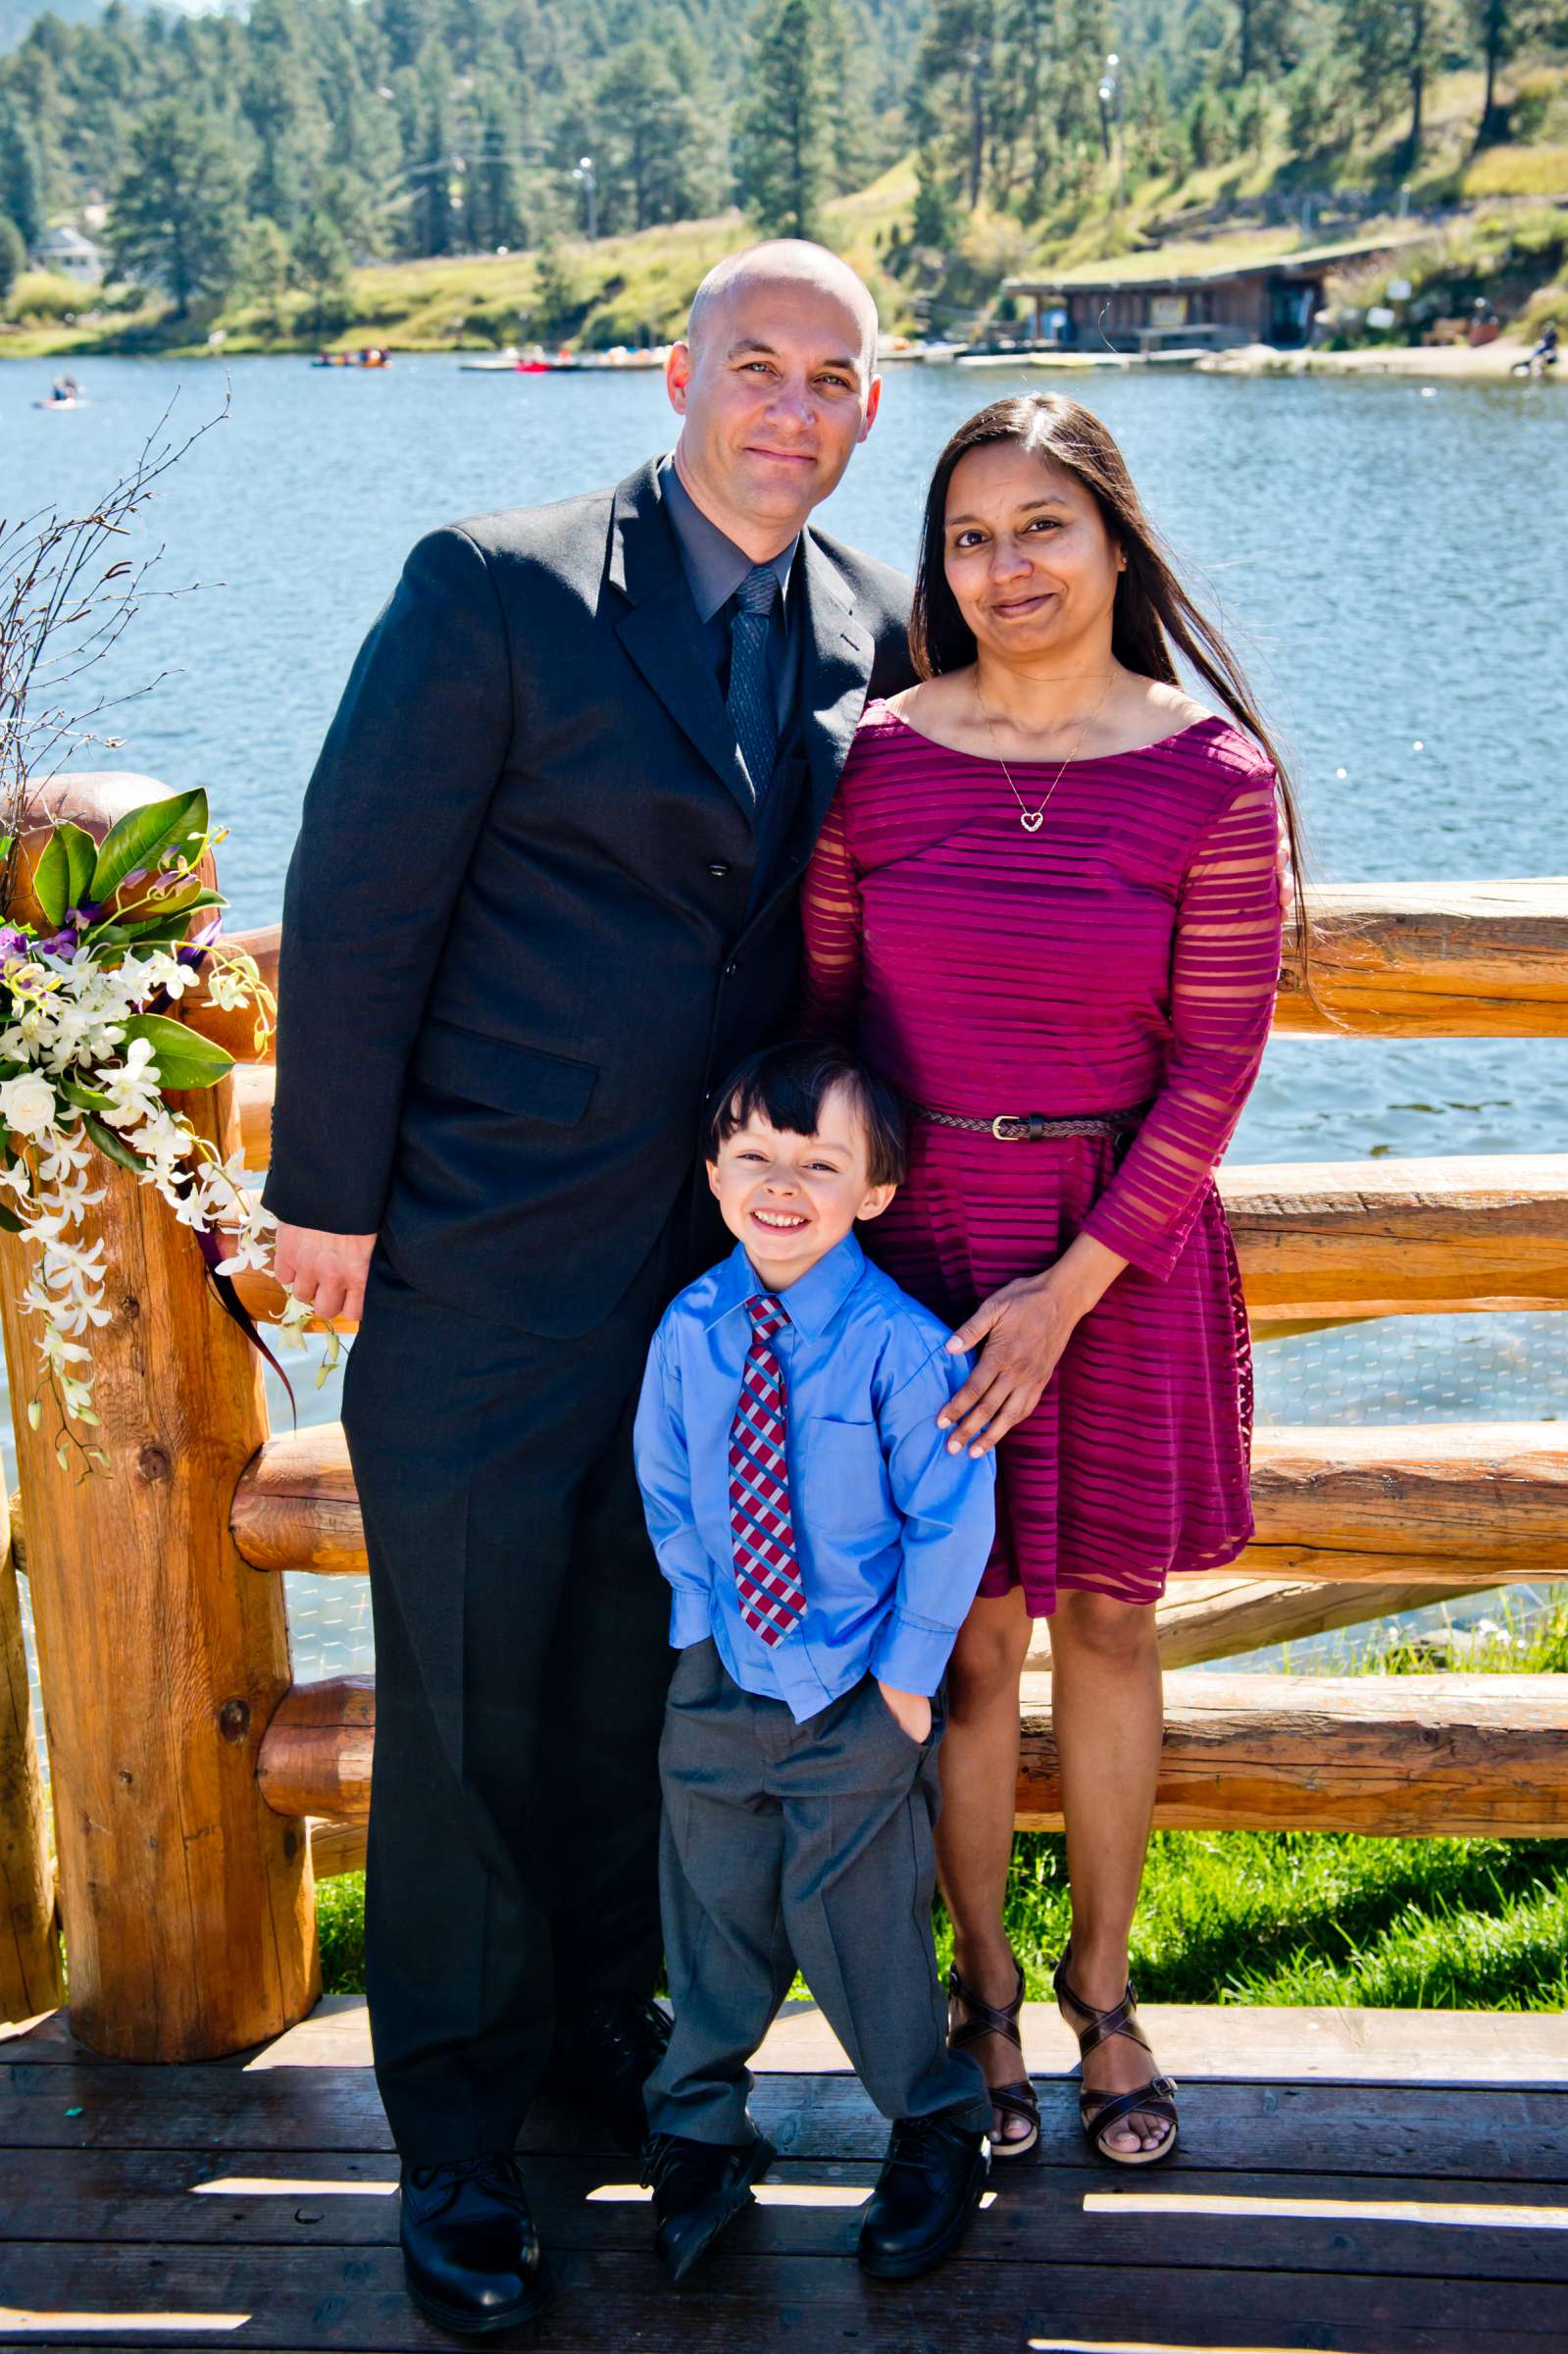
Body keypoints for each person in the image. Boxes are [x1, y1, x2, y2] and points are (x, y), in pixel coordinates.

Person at [266, 240, 914, 2333]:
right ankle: (450, 2143)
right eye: (755, 366)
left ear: (867, 414)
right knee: (459, 1700)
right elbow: (356, 901)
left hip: (710, 1294)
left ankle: (587, 2057)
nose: (788, 407)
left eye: (830, 379)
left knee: (635, 1684)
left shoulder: (869, 631)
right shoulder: (494, 582)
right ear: (675, 374)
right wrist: (326, 1198)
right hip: (472, 1254)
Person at [803, 392, 1301, 2171]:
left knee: (1101, 1619)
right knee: (960, 1637)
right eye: (965, 537)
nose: (1003, 568)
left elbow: (1213, 1074)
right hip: (923, 1250)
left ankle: (1102, 1997)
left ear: (1111, 541)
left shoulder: (1207, 775)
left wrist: (1066, 1288)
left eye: (1039, 528)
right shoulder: (876, 760)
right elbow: (828, 1026)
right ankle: (981, 2000)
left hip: (1120, 1257)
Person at [632, 1039, 995, 2285]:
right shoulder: (691, 1328)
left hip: (855, 1690)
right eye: (753, 1158)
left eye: (818, 1163)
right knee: (712, 1904)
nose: (780, 1183)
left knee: (857, 1922)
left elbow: (951, 1516)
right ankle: (696, 2128)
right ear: (717, 1174)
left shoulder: (905, 1348)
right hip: (721, 1674)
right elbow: (671, 1483)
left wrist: (905, 1681)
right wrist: (692, 1630)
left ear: (876, 1189)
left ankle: (932, 2118)